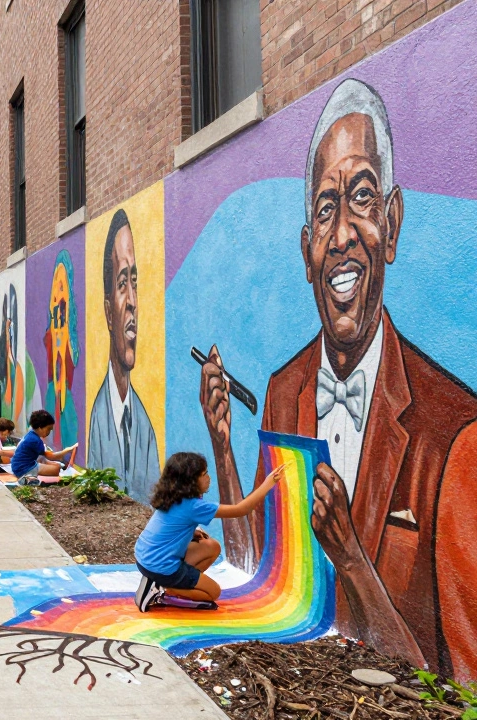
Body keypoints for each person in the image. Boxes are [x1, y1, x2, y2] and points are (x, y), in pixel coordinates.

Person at [198, 78, 477, 675]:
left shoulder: (454, 433)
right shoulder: (284, 389)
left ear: (393, 224)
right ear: (306, 251)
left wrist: (351, 560)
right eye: (326, 210)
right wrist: (222, 445)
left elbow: (459, 684)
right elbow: (254, 563)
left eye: (363, 199)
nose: (343, 234)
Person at [133, 452, 285, 612]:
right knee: (212, 592)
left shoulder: (172, 496)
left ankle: (164, 581)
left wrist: (191, 533)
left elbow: (169, 525)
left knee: (211, 547)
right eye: (204, 474)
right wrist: (269, 483)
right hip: (160, 565)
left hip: (145, 557)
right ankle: (161, 590)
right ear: (190, 481)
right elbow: (242, 509)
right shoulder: (195, 506)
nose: (208, 478)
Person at [87, 209, 161, 501]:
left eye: (135, 282)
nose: (132, 301)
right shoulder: (98, 419)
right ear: (107, 312)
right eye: (122, 284)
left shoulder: (145, 427)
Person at [10, 410, 76, 485]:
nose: (49, 432)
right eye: (48, 429)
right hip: (24, 469)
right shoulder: (36, 441)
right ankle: (27, 478)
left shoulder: (30, 434)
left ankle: (29, 477)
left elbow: (41, 457)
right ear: (40, 427)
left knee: (49, 462)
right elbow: (52, 457)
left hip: (17, 466)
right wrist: (68, 450)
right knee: (56, 469)